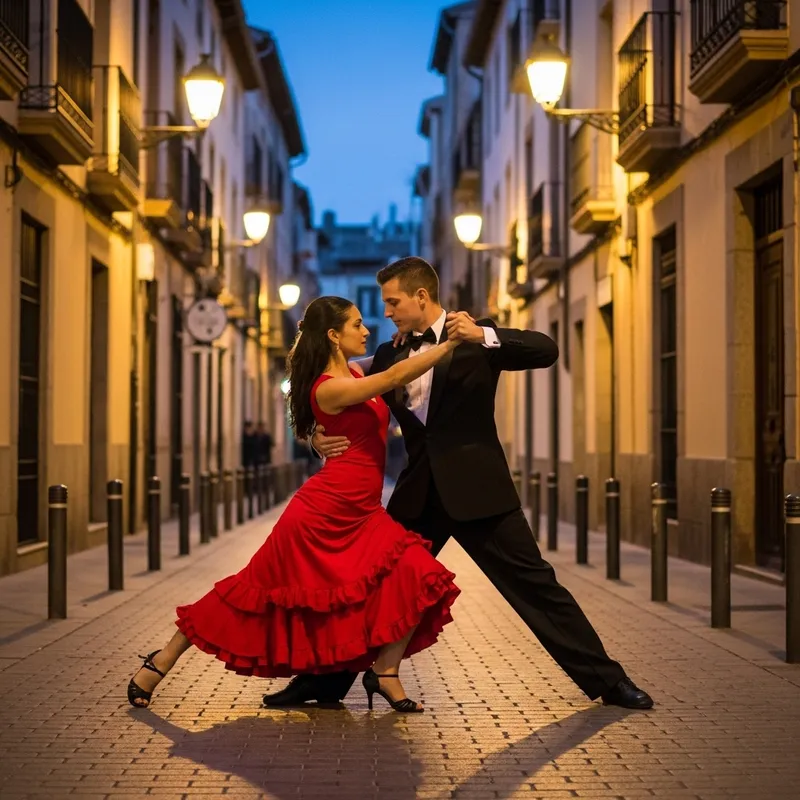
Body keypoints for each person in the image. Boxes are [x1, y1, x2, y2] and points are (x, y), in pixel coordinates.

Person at [263, 257, 654, 711]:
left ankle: (609, 681)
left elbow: (545, 349)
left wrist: (485, 336)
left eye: (393, 302)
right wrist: (314, 434)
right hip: (418, 496)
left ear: (421, 297)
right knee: (371, 590)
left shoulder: (476, 337)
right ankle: (322, 685)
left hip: (480, 493)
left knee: (537, 586)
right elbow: (317, 388)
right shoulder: (389, 355)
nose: (386, 312)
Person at [127, 296, 463, 713]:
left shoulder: (355, 370)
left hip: (362, 513)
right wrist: (450, 345)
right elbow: (394, 374)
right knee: (249, 592)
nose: (367, 330)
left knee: (420, 575)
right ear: (334, 335)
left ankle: (386, 671)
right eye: (358, 324)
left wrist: (411, 335)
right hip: (320, 514)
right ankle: (160, 662)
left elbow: (387, 366)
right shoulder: (332, 386)